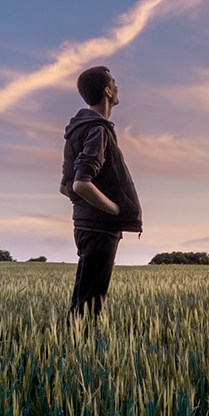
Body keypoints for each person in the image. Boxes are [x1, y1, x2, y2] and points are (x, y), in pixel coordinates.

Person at [60, 65, 143, 322]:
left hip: (85, 224)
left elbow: (65, 186)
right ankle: (79, 355)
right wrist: (114, 210)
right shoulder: (98, 129)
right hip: (100, 227)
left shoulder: (77, 129)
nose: (117, 87)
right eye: (114, 83)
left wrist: (86, 209)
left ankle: (71, 349)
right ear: (107, 91)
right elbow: (80, 184)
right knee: (91, 304)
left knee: (83, 299)